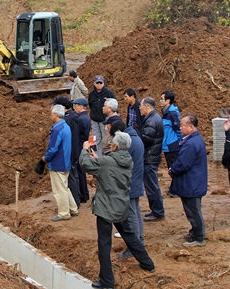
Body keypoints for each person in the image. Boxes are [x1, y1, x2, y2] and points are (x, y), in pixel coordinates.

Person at [80, 132, 155, 289]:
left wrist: (85, 149)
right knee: (129, 235)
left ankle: (107, 281)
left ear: (114, 146)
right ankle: (147, 263)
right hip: (121, 205)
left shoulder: (107, 162)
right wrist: (98, 160)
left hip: (106, 208)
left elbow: (85, 164)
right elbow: (108, 167)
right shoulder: (128, 160)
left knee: (104, 244)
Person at [168, 114, 207, 246]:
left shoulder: (191, 143)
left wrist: (172, 170)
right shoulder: (194, 140)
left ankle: (199, 237)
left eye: (183, 125)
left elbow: (183, 163)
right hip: (193, 181)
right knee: (192, 209)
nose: (180, 128)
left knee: (193, 211)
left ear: (190, 127)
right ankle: (195, 232)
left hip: (192, 183)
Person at [109, 120, 145, 259]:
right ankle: (139, 240)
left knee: (131, 216)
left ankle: (134, 246)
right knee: (135, 212)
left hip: (130, 183)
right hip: (135, 182)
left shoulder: (130, 142)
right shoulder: (136, 139)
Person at [42, 105, 79, 221]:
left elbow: (53, 148)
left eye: (51, 114)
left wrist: (45, 158)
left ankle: (64, 213)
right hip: (66, 161)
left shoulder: (57, 129)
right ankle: (73, 208)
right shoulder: (65, 126)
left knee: (59, 190)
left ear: (55, 115)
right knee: (65, 187)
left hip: (58, 163)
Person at [50, 96, 82, 207]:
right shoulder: (73, 116)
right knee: (74, 176)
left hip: (70, 152)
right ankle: (77, 200)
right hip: (74, 150)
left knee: (71, 178)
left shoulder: (67, 120)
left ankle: (74, 202)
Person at [139, 97, 165, 222]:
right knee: (151, 184)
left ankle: (158, 211)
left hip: (150, 157)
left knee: (151, 185)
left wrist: (137, 135)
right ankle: (156, 210)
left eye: (141, 106)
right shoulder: (152, 118)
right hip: (151, 155)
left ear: (147, 107)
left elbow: (147, 138)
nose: (140, 108)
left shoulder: (152, 120)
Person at [88, 75, 115, 155]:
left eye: (100, 83)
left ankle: (105, 156)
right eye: (97, 83)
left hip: (105, 121)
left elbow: (114, 105)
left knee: (105, 139)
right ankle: (97, 156)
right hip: (95, 120)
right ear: (94, 83)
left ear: (103, 83)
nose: (99, 84)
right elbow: (90, 105)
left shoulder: (109, 93)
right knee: (96, 139)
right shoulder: (92, 94)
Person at [73, 98, 91, 203]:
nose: (74, 107)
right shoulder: (85, 117)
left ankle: (83, 194)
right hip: (83, 144)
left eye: (76, 105)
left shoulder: (80, 119)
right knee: (81, 171)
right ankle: (85, 194)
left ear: (80, 106)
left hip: (80, 145)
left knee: (80, 171)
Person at [160, 91, 182, 171]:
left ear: (168, 101)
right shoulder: (166, 113)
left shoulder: (172, 114)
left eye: (162, 99)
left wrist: (179, 143)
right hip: (167, 146)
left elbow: (178, 129)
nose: (160, 101)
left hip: (172, 146)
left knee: (174, 169)